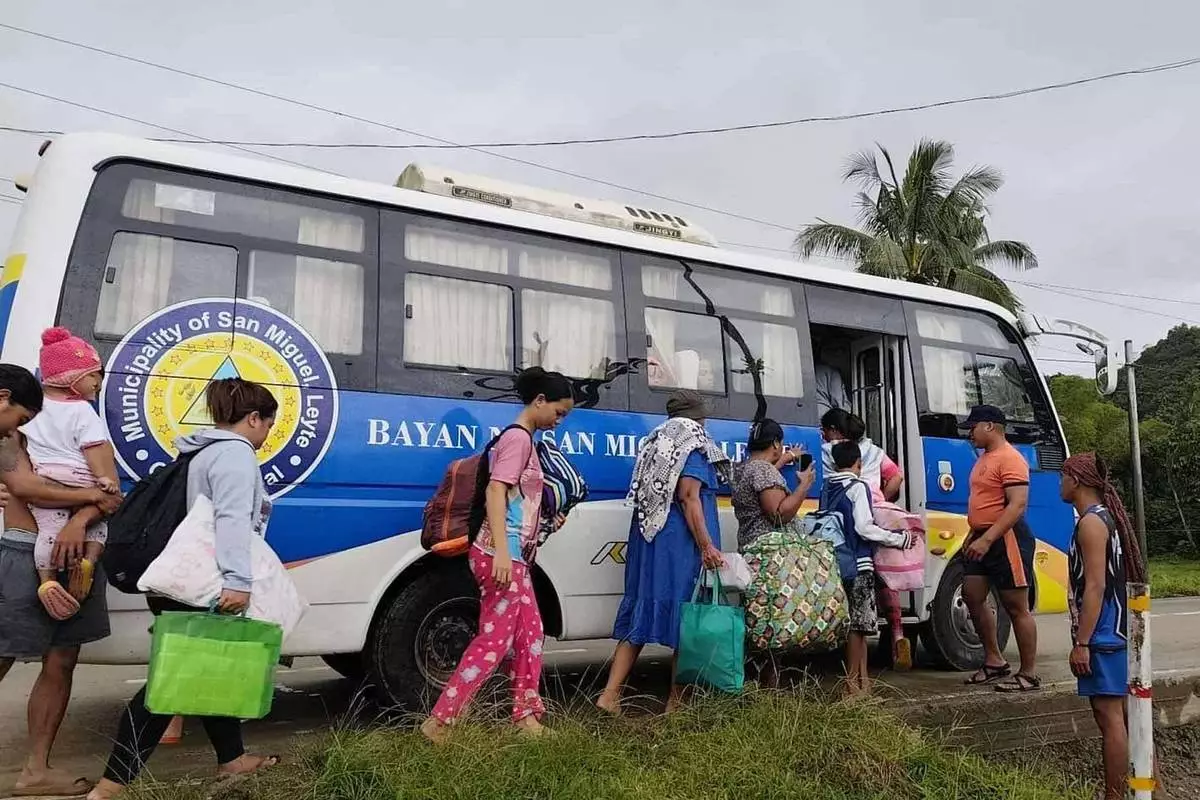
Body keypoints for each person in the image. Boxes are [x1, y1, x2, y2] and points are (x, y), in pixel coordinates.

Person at [88, 378, 282, 800]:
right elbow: (230, 520)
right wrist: (237, 580)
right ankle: (110, 786)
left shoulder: (200, 450)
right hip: (203, 584)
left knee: (213, 668)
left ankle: (232, 760)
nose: (266, 435)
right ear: (253, 419)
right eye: (268, 424)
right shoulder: (235, 454)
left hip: (177, 577)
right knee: (170, 683)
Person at [421, 368, 575, 743]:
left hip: (512, 556)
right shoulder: (519, 439)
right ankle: (440, 722)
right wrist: (504, 554)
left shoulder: (522, 440)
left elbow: (517, 502)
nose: (558, 422)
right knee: (493, 641)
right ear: (539, 401)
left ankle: (525, 716)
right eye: (558, 412)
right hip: (498, 555)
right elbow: (495, 492)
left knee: (531, 634)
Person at [0, 362, 123, 798]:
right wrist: (89, 494)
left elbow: (114, 492)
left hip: (79, 554)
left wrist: (80, 519)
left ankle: (35, 770)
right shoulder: (10, 434)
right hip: (22, 550)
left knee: (61, 662)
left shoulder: (81, 422)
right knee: (3, 655)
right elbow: (26, 487)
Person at [597, 390, 728, 715]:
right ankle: (676, 704)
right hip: (679, 545)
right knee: (688, 618)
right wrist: (706, 545)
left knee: (639, 616)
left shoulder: (658, 443)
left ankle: (610, 695)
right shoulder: (692, 445)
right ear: (698, 418)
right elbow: (688, 497)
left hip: (649, 541)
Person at [1061, 452, 1144, 800]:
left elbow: (1095, 585)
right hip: (1113, 628)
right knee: (1125, 718)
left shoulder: (1091, 523)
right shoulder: (1104, 519)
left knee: (1109, 716)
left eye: (1063, 476)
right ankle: (1152, 786)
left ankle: (1115, 795)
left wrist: (1083, 642)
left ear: (1076, 481)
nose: (1059, 483)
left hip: (1104, 632)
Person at [23, 327, 120, 620]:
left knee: (49, 533)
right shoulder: (81, 411)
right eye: (94, 376)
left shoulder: (31, 409)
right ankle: (87, 562)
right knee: (98, 527)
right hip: (84, 478)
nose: (99, 384)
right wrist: (102, 482)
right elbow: (93, 446)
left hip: (46, 479)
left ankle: (47, 581)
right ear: (73, 378)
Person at [820, 408, 916, 670]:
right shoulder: (874, 451)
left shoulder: (832, 451)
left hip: (851, 517)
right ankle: (897, 633)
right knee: (887, 578)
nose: (823, 435)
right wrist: (882, 499)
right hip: (877, 513)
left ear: (835, 431)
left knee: (855, 587)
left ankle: (852, 670)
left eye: (825, 430)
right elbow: (897, 476)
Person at [959, 404, 1041, 693]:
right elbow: (984, 501)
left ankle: (1029, 674)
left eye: (974, 427)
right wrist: (973, 534)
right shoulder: (984, 459)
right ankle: (994, 660)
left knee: (1016, 606)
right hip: (982, 536)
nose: (971, 433)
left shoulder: (1010, 459)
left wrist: (988, 538)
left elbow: (1017, 505)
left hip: (1006, 539)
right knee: (971, 594)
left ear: (990, 426)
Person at [730, 417, 816, 686]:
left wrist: (786, 459)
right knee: (773, 621)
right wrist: (804, 485)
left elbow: (764, 479)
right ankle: (769, 687)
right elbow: (779, 513)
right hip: (771, 560)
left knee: (759, 619)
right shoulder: (762, 472)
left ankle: (757, 683)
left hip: (752, 550)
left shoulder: (745, 469)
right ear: (776, 443)